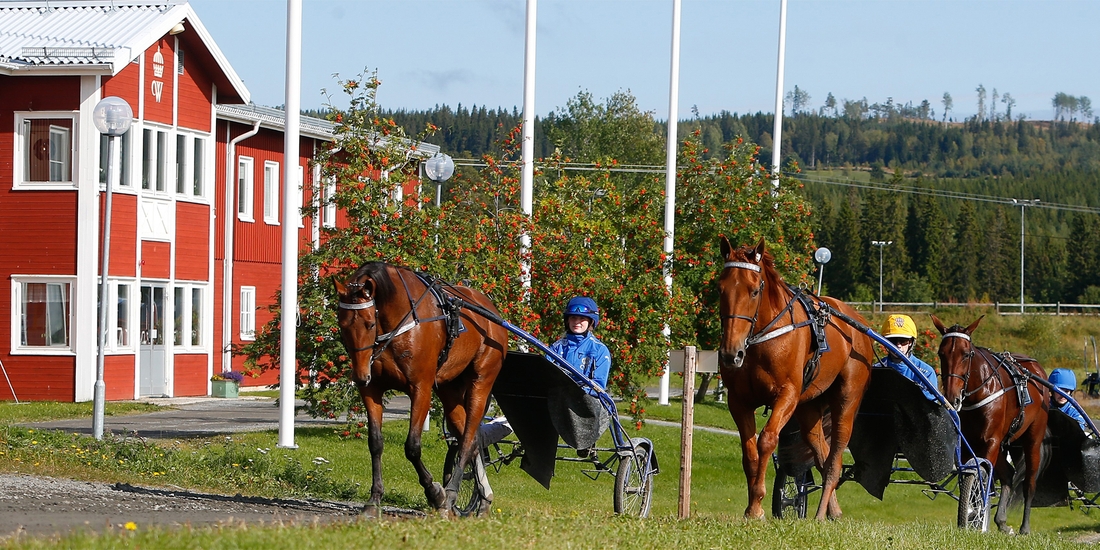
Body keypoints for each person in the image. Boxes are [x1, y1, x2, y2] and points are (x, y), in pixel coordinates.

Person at [549, 296, 612, 396]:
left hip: (585, 401)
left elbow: (598, 387)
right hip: (557, 399)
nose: (577, 322)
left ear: (590, 321)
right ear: (567, 320)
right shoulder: (556, 348)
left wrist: (574, 392)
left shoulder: (599, 350)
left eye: (582, 318)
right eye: (573, 317)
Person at [875, 314, 939, 401]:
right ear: (885, 342)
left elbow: (929, 406)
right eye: (893, 341)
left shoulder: (926, 372)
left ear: (911, 342)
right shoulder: (876, 370)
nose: (898, 345)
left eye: (903, 341)